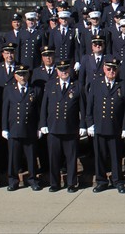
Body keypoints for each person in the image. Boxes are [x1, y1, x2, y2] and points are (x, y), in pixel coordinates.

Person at [39, 59, 86, 193]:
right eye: (61, 69)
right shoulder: (50, 85)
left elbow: (82, 107)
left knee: (71, 158)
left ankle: (71, 183)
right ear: (57, 71)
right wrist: (43, 123)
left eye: (66, 69)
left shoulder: (77, 85)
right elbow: (44, 106)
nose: (64, 71)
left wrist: (83, 125)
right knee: (54, 158)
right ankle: (54, 183)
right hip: (53, 127)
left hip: (70, 128)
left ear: (70, 70)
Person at [86, 58, 125, 194]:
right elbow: (90, 105)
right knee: (100, 156)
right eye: (109, 69)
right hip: (99, 126)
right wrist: (89, 123)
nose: (111, 71)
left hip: (115, 127)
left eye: (114, 69)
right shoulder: (96, 83)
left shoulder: (122, 85)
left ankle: (118, 181)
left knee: (116, 156)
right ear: (104, 69)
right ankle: (101, 181)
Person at [1, 64, 42, 191]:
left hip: (29, 129)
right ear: (15, 76)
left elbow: (39, 110)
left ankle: (32, 179)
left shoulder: (34, 89)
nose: (22, 77)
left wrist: (39, 127)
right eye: (20, 74)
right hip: (14, 129)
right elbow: (5, 109)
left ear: (28, 75)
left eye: (24, 74)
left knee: (31, 157)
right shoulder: (9, 89)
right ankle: (13, 180)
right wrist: (4, 128)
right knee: (14, 157)